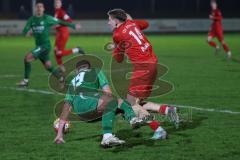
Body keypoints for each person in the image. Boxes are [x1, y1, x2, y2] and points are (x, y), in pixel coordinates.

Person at [107, 9, 179, 139]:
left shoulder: (117, 34)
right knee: (138, 102)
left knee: (130, 105)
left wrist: (115, 46)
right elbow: (145, 24)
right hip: (152, 64)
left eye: (110, 19)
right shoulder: (132, 24)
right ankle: (168, 110)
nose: (108, 22)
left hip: (143, 68)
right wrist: (131, 20)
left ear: (116, 21)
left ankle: (158, 130)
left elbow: (118, 59)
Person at [54, 60, 145, 147]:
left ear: (77, 71)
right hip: (89, 103)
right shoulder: (95, 71)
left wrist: (59, 135)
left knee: (117, 106)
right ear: (89, 67)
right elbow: (108, 92)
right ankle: (127, 122)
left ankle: (131, 120)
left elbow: (66, 108)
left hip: (83, 115)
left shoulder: (72, 82)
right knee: (118, 102)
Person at [16, 2, 81, 87]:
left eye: (41, 7)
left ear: (43, 9)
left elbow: (60, 21)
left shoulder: (47, 18)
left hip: (45, 46)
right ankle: (61, 79)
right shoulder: (32, 19)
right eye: (37, 7)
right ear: (35, 9)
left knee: (27, 58)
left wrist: (73, 26)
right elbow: (25, 29)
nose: (39, 8)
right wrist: (25, 33)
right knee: (48, 66)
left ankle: (25, 81)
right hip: (39, 46)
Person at [54, 0, 85, 73]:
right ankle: (62, 68)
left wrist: (60, 25)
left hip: (63, 34)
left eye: (58, 3)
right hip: (58, 34)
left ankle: (77, 49)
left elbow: (69, 20)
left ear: (61, 4)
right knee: (55, 50)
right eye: (55, 3)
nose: (56, 4)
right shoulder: (56, 12)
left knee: (59, 52)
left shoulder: (61, 12)